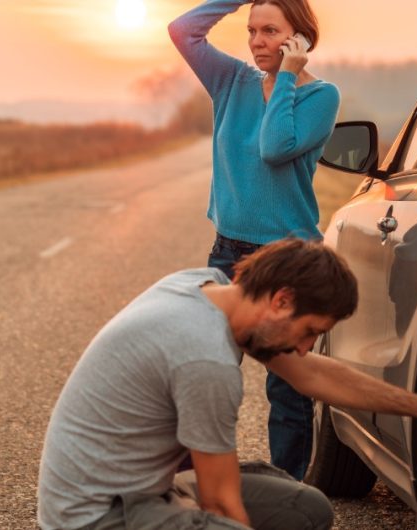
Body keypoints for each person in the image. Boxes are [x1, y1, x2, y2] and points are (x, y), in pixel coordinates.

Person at [37, 239, 417, 530]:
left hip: (143, 489)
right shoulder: (204, 356)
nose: (306, 347)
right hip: (97, 516)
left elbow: (313, 373)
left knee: (306, 509)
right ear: (281, 300)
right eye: (309, 330)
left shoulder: (207, 289)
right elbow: (221, 503)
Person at [168, 0, 340, 479]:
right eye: (252, 30)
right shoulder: (231, 81)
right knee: (200, 373)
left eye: (270, 31)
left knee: (287, 391)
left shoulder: (320, 97)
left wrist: (287, 75)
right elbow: (183, 30)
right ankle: (186, 486)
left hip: (289, 259)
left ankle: (289, 492)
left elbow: (274, 148)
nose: (257, 41)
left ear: (298, 37)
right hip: (228, 253)